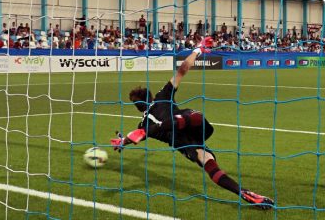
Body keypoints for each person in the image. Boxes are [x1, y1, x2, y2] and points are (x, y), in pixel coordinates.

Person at [111, 36, 274, 209]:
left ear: (137, 107)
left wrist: (124, 141)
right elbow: (182, 70)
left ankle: (241, 191)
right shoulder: (161, 97)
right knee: (209, 159)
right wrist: (198, 49)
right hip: (189, 124)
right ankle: (244, 192)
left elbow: (133, 139)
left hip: (182, 142)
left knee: (205, 161)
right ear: (149, 96)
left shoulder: (142, 125)